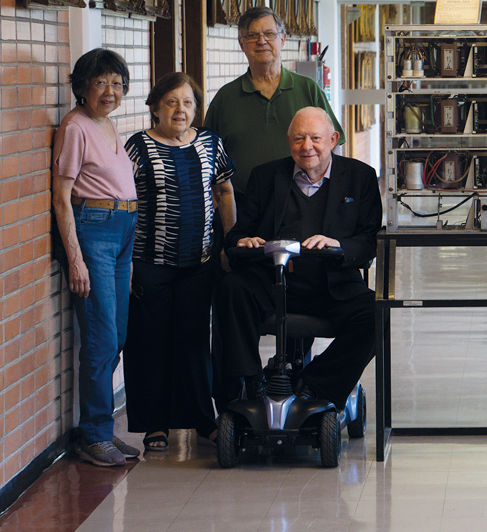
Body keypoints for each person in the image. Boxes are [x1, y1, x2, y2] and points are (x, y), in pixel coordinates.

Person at [215, 107, 381, 408]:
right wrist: (244, 240)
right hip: (271, 280)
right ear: (288, 141)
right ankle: (252, 382)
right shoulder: (265, 176)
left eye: (316, 138)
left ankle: (316, 384)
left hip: (332, 284)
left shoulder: (360, 177)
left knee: (377, 314)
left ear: (333, 139)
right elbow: (237, 234)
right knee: (232, 288)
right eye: (299, 139)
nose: (307, 146)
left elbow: (369, 241)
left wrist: (338, 244)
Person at [123, 73, 237, 452]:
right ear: (155, 107)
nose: (180, 110)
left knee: (192, 342)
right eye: (171, 102)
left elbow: (224, 191)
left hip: (199, 260)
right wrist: (125, 261)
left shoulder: (210, 143)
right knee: (150, 341)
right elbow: (126, 203)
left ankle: (202, 421)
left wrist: (229, 244)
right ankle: (153, 423)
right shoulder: (138, 147)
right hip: (149, 261)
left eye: (188, 103)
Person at [52, 49, 142, 467]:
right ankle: (93, 434)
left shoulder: (106, 124)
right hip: (95, 232)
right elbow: (62, 195)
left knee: (118, 335)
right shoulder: (75, 127)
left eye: (117, 84)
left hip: (122, 231)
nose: (110, 92)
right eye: (101, 82)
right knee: (102, 337)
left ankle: (99, 429)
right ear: (83, 86)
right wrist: (76, 259)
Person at [203, 6, 345, 202]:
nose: (262, 41)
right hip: (243, 206)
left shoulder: (308, 89)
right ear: (241, 43)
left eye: (269, 34)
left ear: (283, 39)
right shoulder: (225, 98)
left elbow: (334, 146)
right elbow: (205, 159)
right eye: (252, 35)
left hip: (303, 202)